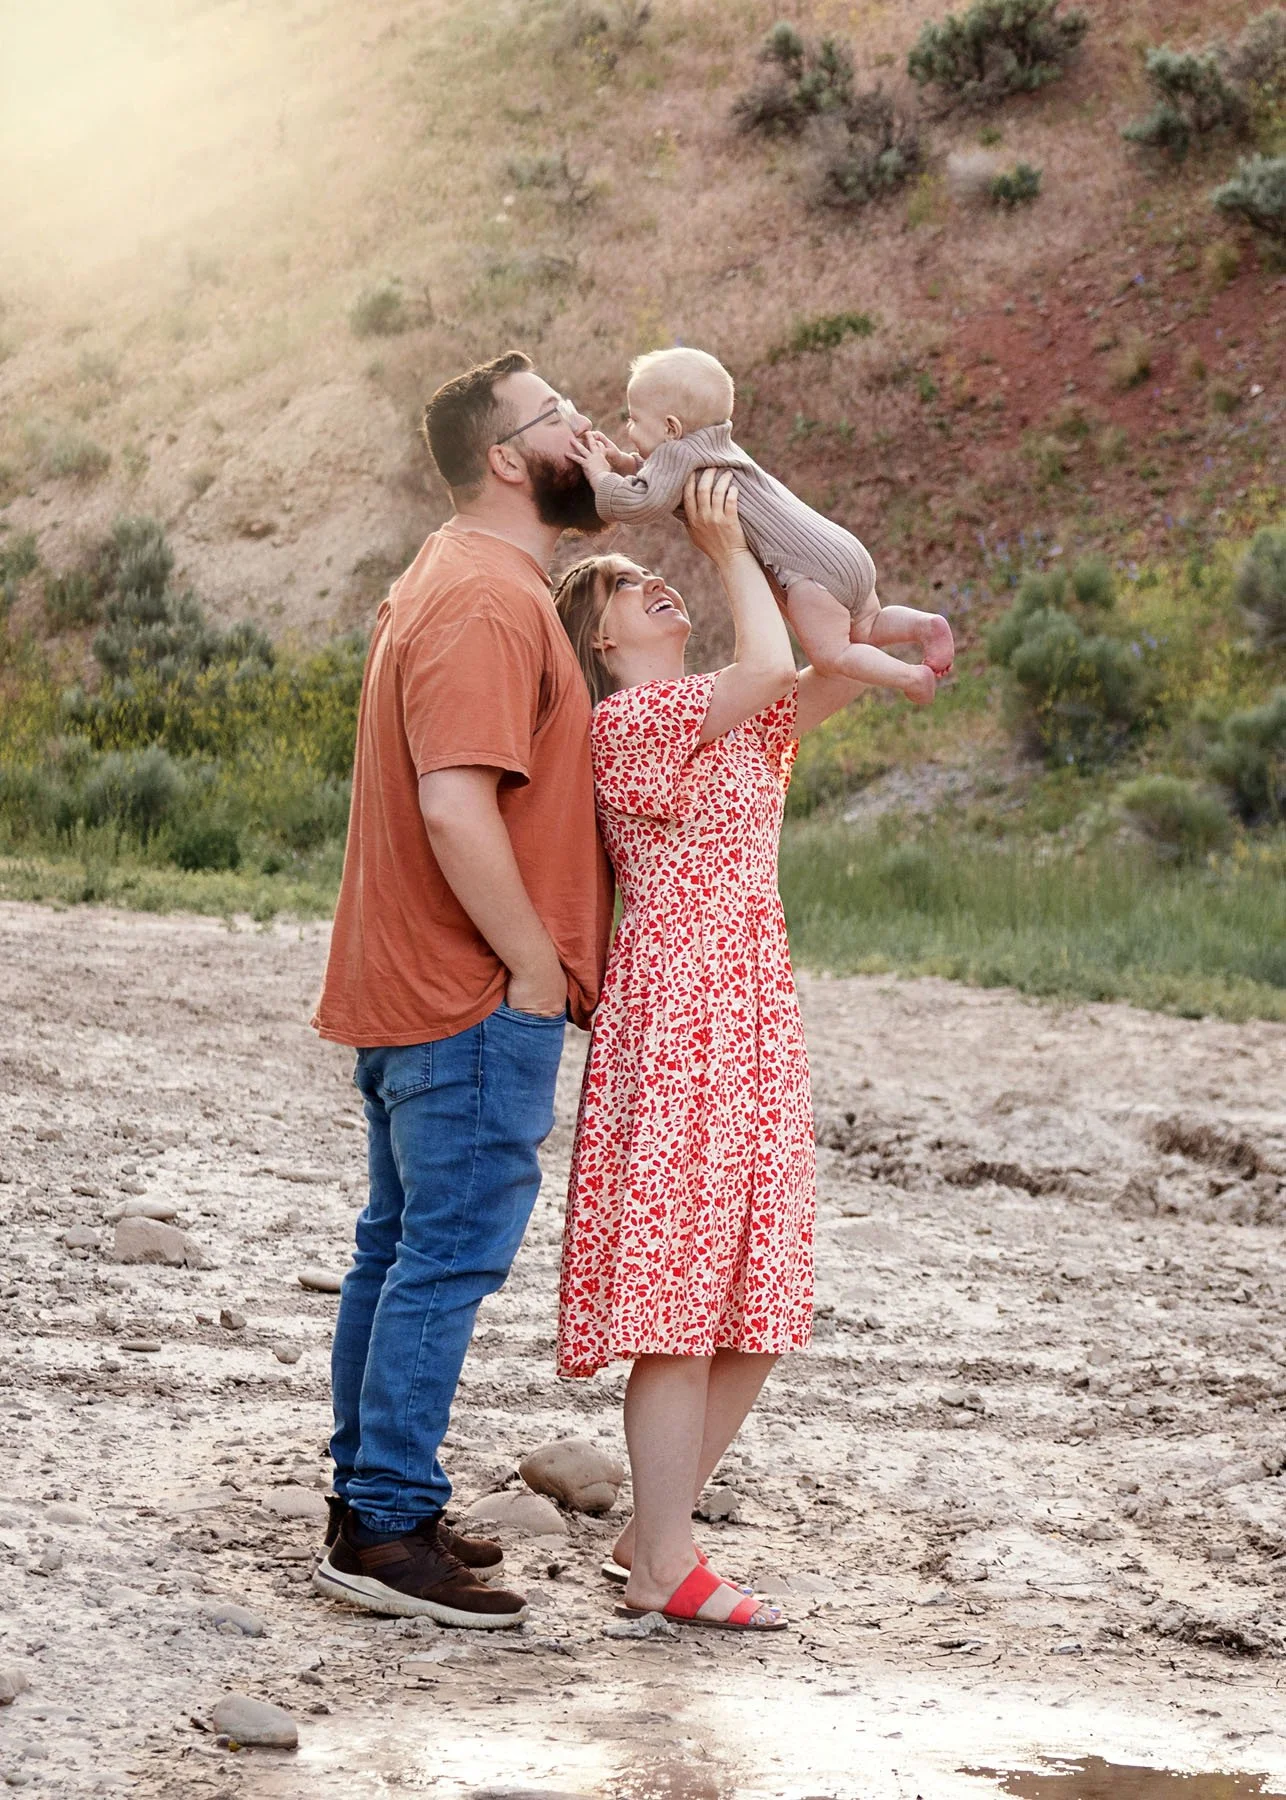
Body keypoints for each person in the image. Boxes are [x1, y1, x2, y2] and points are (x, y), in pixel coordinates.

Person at [310, 351, 614, 1628]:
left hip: (420, 985)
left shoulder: (457, 578)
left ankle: (374, 1506)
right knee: (442, 1259)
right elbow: (455, 803)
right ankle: (381, 1532)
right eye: (562, 417)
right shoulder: (489, 598)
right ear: (507, 457)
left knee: (398, 1252)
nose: (587, 427)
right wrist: (535, 969)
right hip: (467, 994)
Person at [552, 468, 874, 1631]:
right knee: (679, 1305)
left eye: (661, 576)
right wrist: (717, 537)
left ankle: (657, 1531)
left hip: (748, 1008)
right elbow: (779, 667)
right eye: (633, 589)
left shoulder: (724, 724)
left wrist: (794, 543)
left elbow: (822, 662)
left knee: (757, 1301)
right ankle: (660, 1569)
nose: (659, 589)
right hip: (680, 1014)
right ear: (596, 638)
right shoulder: (628, 722)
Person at [571, 345, 953, 705]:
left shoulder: (678, 452)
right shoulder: (715, 445)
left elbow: (643, 502)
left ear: (671, 428)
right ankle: (926, 625)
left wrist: (600, 475)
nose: (628, 429)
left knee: (832, 655)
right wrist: (624, 463)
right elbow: (661, 482)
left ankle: (910, 677)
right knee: (867, 626)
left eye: (634, 420)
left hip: (809, 574)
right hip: (842, 550)